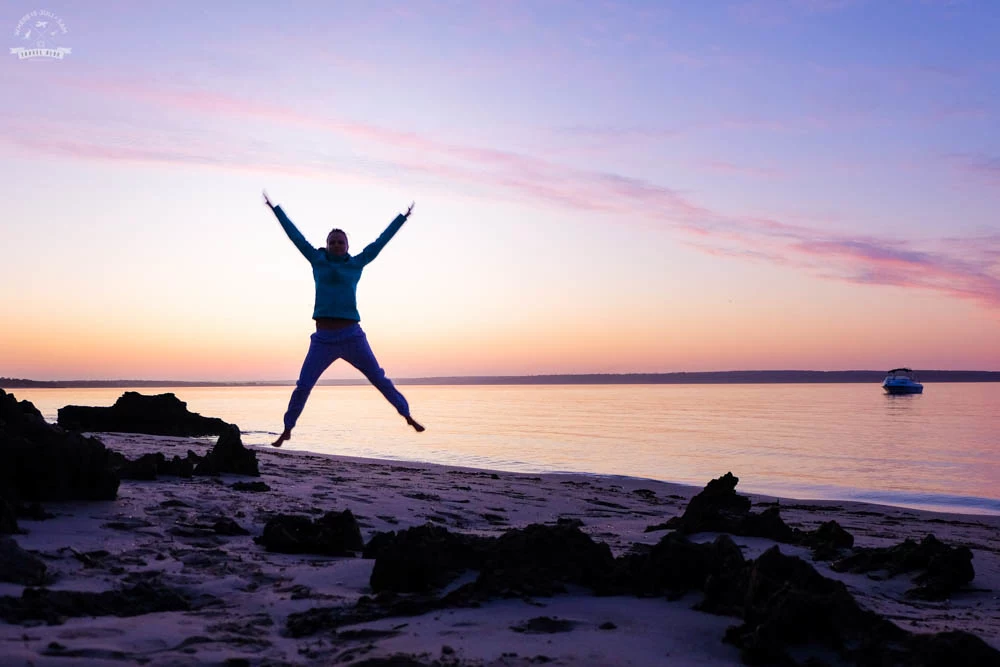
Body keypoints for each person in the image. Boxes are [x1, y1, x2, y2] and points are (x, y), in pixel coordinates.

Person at [263, 190, 424, 447]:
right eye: (332, 242)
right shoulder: (317, 260)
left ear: (347, 246)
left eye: (341, 242)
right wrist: (276, 209)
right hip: (323, 339)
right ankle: (287, 429)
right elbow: (295, 236)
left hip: (352, 336)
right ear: (327, 245)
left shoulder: (357, 263)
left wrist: (402, 218)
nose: (336, 245)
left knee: (378, 378)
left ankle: (406, 414)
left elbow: (381, 242)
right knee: (303, 385)